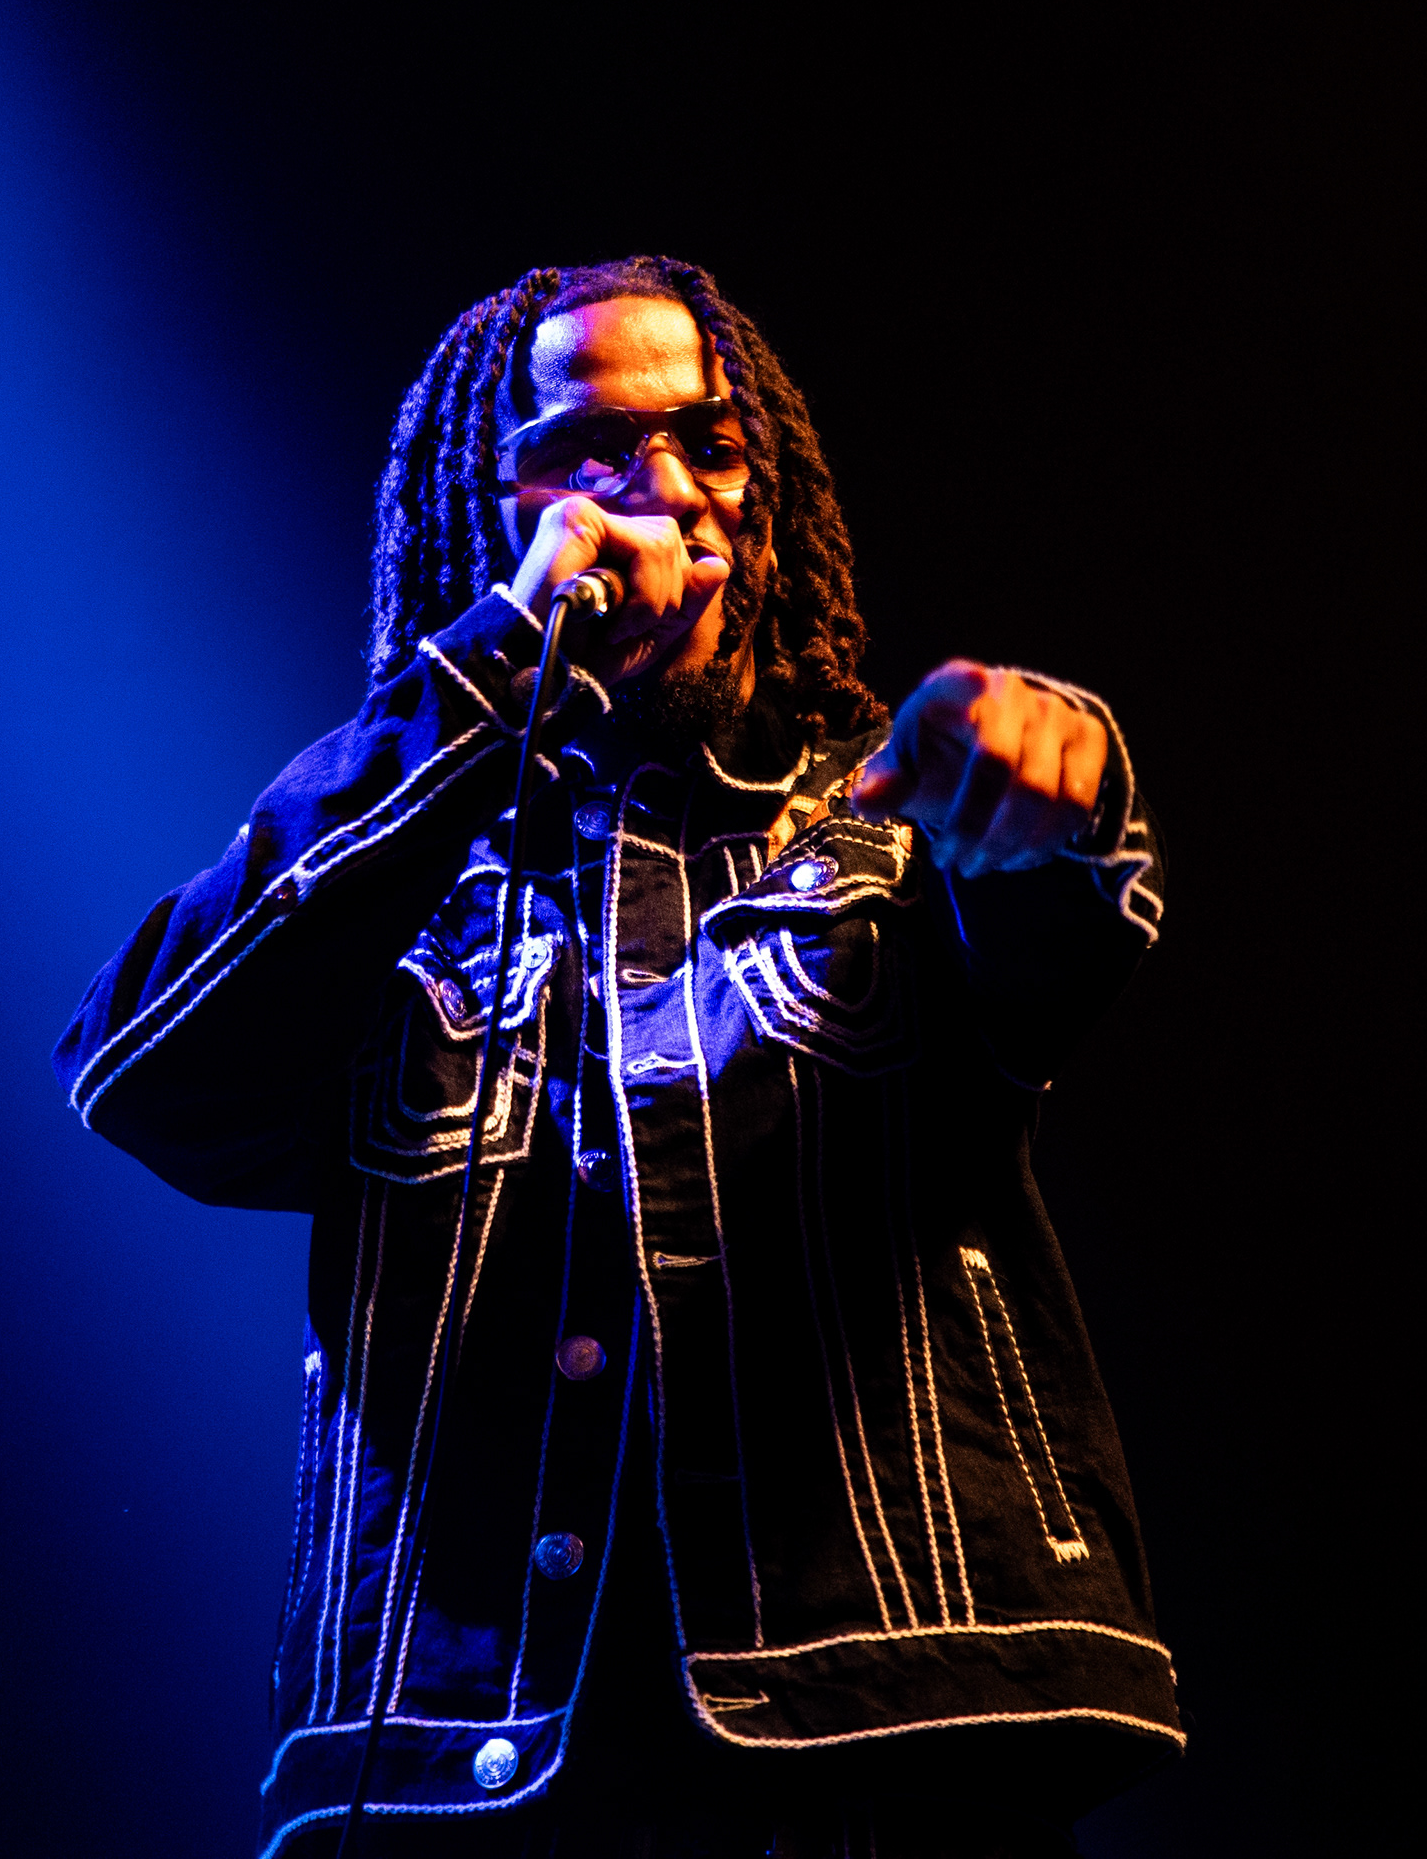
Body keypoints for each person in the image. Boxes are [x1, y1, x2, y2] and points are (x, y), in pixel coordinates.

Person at [57, 258, 1178, 1858]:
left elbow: (1059, 921)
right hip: (467, 1763)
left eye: (708, 445)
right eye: (587, 450)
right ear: (488, 509)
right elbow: (151, 1074)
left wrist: (1063, 775)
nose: (666, 491)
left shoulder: (888, 832)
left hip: (885, 1743)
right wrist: (505, 656)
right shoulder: (396, 891)